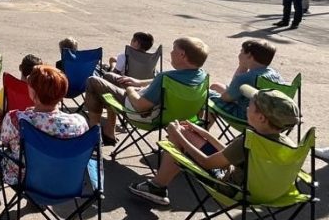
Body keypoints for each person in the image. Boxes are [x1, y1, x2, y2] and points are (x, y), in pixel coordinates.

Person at [128, 85, 299, 206]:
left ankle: (157, 187)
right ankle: (157, 185)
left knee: (178, 137)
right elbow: (229, 154)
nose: (247, 108)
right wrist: (202, 132)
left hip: (232, 190)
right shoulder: (282, 143)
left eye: (250, 106)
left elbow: (206, 162)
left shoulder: (248, 141)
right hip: (268, 192)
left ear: (261, 118)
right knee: (188, 133)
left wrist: (178, 135)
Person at [84, 37, 209, 146]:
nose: (171, 53)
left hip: (146, 116)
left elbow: (140, 106)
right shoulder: (202, 77)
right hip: (172, 117)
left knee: (93, 81)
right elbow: (164, 82)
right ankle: (109, 132)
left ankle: (93, 138)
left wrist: (130, 89)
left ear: (182, 55)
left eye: (173, 49)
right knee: (109, 77)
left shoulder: (165, 78)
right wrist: (138, 82)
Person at [0, 66, 89, 185]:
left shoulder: (16, 119)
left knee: (6, 153)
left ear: (33, 92)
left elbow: (5, 141)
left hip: (26, 181)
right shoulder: (79, 122)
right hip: (66, 182)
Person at [209, 39, 280, 120]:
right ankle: (203, 129)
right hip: (270, 119)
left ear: (249, 55)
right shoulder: (275, 74)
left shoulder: (246, 78)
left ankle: (199, 129)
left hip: (247, 117)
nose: (239, 55)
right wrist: (243, 66)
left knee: (206, 93)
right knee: (216, 86)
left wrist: (242, 66)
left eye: (241, 51)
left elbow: (226, 98)